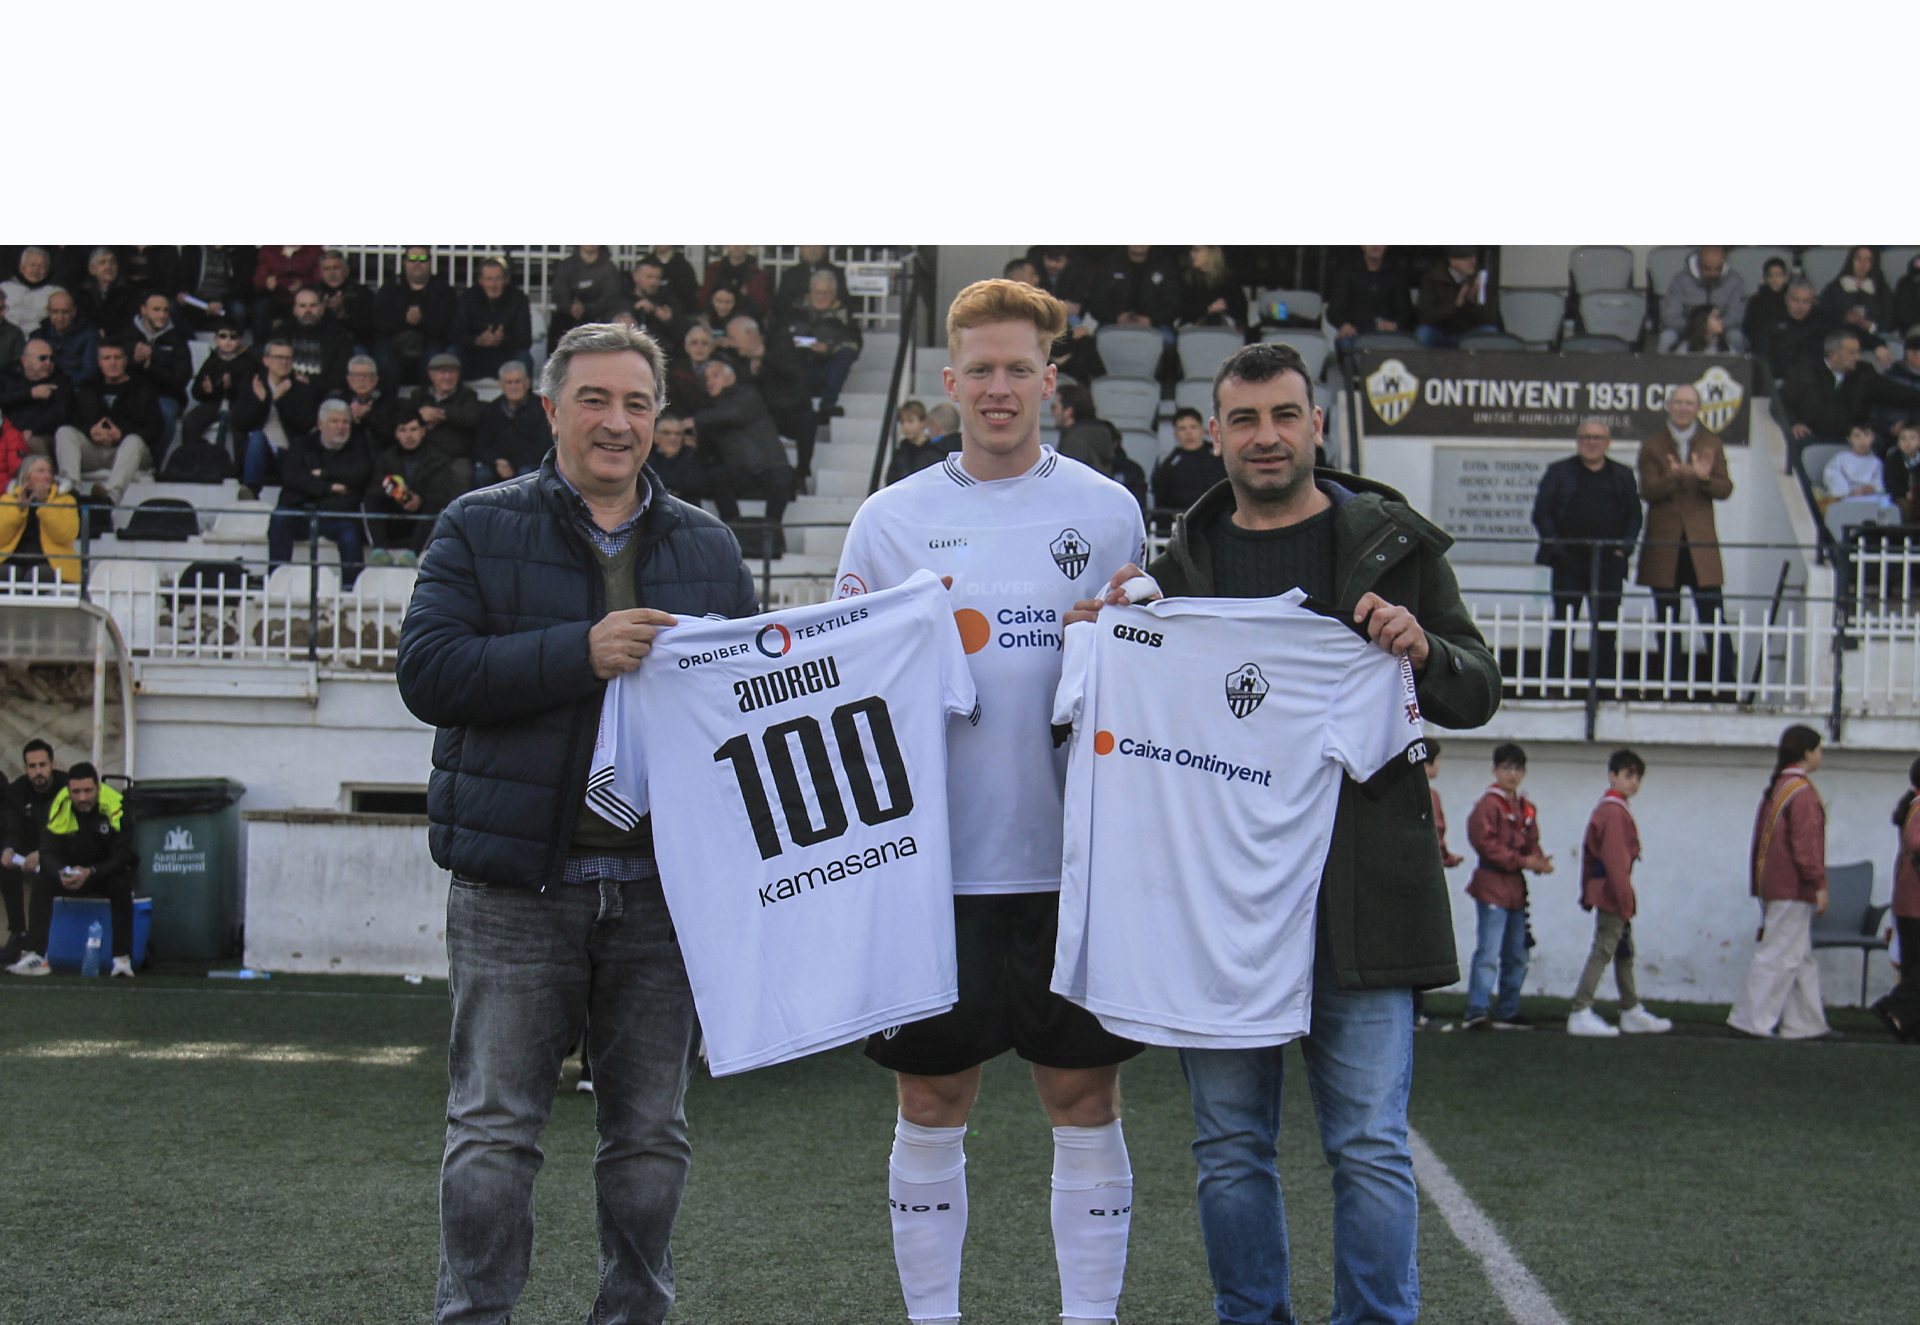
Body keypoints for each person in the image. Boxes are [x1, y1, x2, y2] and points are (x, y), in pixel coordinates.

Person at [1068, 337, 1499, 1325]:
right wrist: (1109, 641)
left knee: (1370, 1143)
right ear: (1214, 434)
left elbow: (1478, 685)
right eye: (1246, 419)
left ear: (1315, 424)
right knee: (1228, 1142)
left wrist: (1425, 647)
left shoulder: (1394, 544)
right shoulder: (1180, 571)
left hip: (1364, 895)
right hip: (1219, 904)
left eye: (1285, 415)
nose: (1267, 436)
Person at [397, 321, 755, 1324]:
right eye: (595, 398)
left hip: (661, 891)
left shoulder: (709, 544)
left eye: (637, 402)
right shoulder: (476, 523)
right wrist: (576, 651)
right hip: (518, 886)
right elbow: (427, 673)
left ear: (659, 418)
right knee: (493, 1134)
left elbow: (749, 698)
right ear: (551, 409)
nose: (617, 421)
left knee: (651, 1138)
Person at [835, 279, 1150, 1325]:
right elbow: (845, 685)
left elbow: (1150, 672)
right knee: (932, 1096)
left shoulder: (1110, 511)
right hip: (938, 872)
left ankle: (1088, 1316)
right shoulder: (890, 520)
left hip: (1073, 865)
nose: (1002, 387)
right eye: (983, 370)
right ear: (949, 381)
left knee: (1083, 1097)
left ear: (1051, 380)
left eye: (1021, 368)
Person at [1728, 725, 1838, 1041]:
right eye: (1818, 749)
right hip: (1792, 886)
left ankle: (1806, 1024)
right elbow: (1806, 846)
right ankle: (1750, 1020)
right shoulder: (1801, 792)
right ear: (1807, 753)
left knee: (1799, 955)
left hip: (1774, 882)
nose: (1820, 754)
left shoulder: (1780, 786)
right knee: (1779, 953)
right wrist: (1818, 884)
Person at [1564, 749, 1673, 1037]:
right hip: (1612, 891)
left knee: (1624, 951)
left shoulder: (1614, 808)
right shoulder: (1613, 811)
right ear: (1612, 776)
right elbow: (1614, 861)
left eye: (1637, 777)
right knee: (1604, 949)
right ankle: (1581, 1009)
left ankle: (1630, 1008)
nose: (1634, 782)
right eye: (1628, 775)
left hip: (1611, 889)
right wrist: (1625, 900)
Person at [1532, 417, 1641, 690]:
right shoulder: (1559, 471)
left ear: (1608, 443)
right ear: (1578, 441)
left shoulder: (1623, 474)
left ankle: (1603, 687)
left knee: (1605, 630)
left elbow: (1635, 517)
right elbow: (1541, 514)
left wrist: (1623, 549)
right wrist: (1557, 551)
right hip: (1568, 564)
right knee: (1563, 628)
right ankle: (1556, 686)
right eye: (1586, 438)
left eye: (1598, 438)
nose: (1592, 443)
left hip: (1608, 566)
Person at [5, 762, 137, 978]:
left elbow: (123, 855)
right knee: (42, 880)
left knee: (121, 883)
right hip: (70, 875)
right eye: (76, 792)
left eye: (87, 791)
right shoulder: (59, 806)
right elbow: (47, 851)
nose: (82, 798)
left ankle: (122, 959)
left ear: (98, 788)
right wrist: (62, 872)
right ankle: (36, 955)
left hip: (102, 874)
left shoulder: (118, 806)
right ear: (68, 791)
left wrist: (92, 871)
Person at [1636, 384, 1733, 660]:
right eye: (1678, 402)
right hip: (1664, 545)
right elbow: (1648, 491)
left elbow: (1725, 489)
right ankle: (1670, 686)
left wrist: (1702, 477)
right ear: (1668, 406)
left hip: (1701, 545)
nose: (1683, 408)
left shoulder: (1711, 443)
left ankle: (1725, 685)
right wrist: (1675, 475)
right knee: (1667, 621)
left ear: (1698, 409)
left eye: (1689, 403)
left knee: (1713, 618)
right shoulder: (1652, 445)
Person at [1460, 743, 1553, 1031]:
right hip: (1492, 886)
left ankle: (1508, 1009)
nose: (1512, 774)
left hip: (1515, 890)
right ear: (1495, 770)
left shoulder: (1526, 807)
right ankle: (1477, 1010)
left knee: (1517, 954)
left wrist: (1538, 861)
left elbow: (1531, 840)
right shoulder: (1488, 805)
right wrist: (1526, 861)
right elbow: (1487, 847)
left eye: (1517, 768)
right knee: (1488, 952)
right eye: (1506, 768)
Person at [695, 358, 792, 557]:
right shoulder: (708, 411)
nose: (709, 381)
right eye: (705, 379)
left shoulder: (747, 394)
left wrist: (693, 422)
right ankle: (735, 533)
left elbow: (734, 413)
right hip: (741, 471)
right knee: (718, 476)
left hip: (770, 465)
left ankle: (770, 533)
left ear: (730, 377)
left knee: (781, 477)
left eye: (715, 375)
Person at [267, 399, 371, 585]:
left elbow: (359, 475)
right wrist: (329, 487)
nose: (341, 427)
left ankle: (352, 589)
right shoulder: (301, 445)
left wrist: (322, 474)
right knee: (280, 518)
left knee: (350, 533)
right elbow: (293, 477)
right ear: (320, 424)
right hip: (301, 512)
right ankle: (276, 581)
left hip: (337, 514)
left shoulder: (358, 448)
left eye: (345, 422)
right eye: (335, 421)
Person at [57, 338, 159, 503]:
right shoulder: (88, 386)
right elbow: (73, 420)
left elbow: (155, 429)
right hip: (94, 450)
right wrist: (90, 431)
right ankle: (70, 489)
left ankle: (110, 496)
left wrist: (122, 434)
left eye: (117, 358)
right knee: (64, 432)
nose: (112, 363)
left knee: (133, 441)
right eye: (107, 358)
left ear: (125, 360)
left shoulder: (142, 387)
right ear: (99, 362)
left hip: (128, 453)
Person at [1782, 331, 1920, 451]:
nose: (1858, 357)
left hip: (1853, 437)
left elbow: (1896, 392)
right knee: (1797, 443)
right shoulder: (1803, 372)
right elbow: (1781, 402)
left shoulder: (1865, 372)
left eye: (1858, 352)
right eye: (1852, 353)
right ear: (1833, 354)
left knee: (1877, 442)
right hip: (1813, 434)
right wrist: (1794, 423)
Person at [0, 739, 67, 966]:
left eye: (42, 765)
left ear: (53, 764)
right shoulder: (17, 790)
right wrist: (9, 850)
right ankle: (19, 933)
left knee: (44, 877)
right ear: (25, 768)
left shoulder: (68, 787)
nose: (38, 772)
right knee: (4, 863)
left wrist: (44, 853)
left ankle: (41, 944)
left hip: (63, 852)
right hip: (28, 851)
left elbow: (75, 832)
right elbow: (12, 827)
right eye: (32, 766)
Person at [365, 408, 459, 566]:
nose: (409, 436)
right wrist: (396, 494)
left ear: (423, 431)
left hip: (422, 520)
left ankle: (413, 554)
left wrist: (418, 499)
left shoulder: (438, 459)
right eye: (403, 430)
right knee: (369, 500)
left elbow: (440, 493)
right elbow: (375, 488)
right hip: (394, 517)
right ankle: (379, 551)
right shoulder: (386, 458)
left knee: (436, 505)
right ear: (396, 434)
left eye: (413, 429)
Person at [1870, 756, 1920, 1042]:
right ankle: (1895, 1006)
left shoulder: (1911, 805)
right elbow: (1916, 841)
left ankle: (1909, 1026)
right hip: (1916, 901)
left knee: (1913, 963)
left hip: (1908, 900)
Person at [232, 339, 320, 497]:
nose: (284, 362)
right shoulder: (253, 385)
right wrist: (262, 403)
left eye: (288, 358)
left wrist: (280, 401)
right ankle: (251, 490)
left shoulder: (301, 389)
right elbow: (239, 423)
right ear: (266, 361)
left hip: (288, 455)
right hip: (260, 455)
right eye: (279, 357)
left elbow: (305, 425)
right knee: (257, 436)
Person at [780, 269, 864, 424]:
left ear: (834, 294)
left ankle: (827, 406)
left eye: (826, 293)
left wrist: (829, 348)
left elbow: (854, 343)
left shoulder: (844, 315)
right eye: (817, 292)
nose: (821, 297)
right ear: (810, 292)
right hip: (797, 369)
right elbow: (781, 339)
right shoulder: (794, 310)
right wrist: (808, 344)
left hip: (826, 369)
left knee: (845, 354)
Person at [373, 247, 458, 388]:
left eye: (423, 259)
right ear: (404, 262)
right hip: (394, 342)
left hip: (430, 342)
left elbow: (446, 325)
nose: (417, 263)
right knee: (383, 357)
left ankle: (429, 402)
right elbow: (378, 321)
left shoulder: (443, 289)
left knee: (435, 357)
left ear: (430, 262)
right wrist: (404, 319)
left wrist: (421, 320)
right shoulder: (390, 287)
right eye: (412, 259)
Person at [450, 257, 532, 382]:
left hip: (505, 356)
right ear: (480, 281)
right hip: (474, 356)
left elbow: (525, 340)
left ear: (506, 280)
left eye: (497, 279)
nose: (493, 285)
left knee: (524, 357)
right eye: (489, 279)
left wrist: (502, 339)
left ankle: (523, 400)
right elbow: (454, 334)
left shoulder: (518, 299)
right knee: (453, 353)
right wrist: (477, 340)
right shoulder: (467, 298)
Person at [130, 292, 193, 456]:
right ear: (143, 310)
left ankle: (154, 464)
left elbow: (181, 379)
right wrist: (133, 360)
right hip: (131, 393)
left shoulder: (178, 339)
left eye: (165, 310)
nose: (162, 315)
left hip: (165, 396)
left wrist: (151, 368)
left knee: (165, 415)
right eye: (156, 310)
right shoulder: (128, 335)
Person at [0, 454, 77, 586]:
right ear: (26, 476)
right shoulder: (8, 499)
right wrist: (18, 510)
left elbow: (65, 535)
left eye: (49, 472)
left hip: (50, 562)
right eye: (40, 471)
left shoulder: (65, 500)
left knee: (34, 577)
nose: (47, 476)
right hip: (12, 559)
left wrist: (44, 505)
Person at [1147, 405, 1225, 532]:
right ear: (1176, 434)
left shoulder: (1220, 457)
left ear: (1202, 430)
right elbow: (1161, 500)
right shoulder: (1169, 465)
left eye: (1193, 427)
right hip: (1182, 525)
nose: (1188, 433)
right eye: (1182, 429)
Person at [1658, 246, 1748, 352]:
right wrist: (1700, 326)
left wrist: (1714, 326)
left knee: (1736, 337)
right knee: (1666, 337)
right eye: (1707, 269)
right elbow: (1670, 317)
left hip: (1721, 328)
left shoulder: (1735, 281)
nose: (1713, 273)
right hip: (1687, 329)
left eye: (1717, 269)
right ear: (1698, 264)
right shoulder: (1680, 280)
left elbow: (1735, 316)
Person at [1087, 245, 1180, 345]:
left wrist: (1151, 320)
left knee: (1169, 340)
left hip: (1155, 324)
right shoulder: (1109, 264)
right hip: (1114, 322)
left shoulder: (1166, 266)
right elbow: (1096, 302)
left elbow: (1174, 304)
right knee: (1098, 340)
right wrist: (1116, 318)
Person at [1325, 245, 1413, 349]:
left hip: (1388, 332)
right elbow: (1335, 309)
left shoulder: (1397, 273)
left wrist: (1395, 324)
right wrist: (1344, 325)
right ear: (1362, 245)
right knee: (1345, 343)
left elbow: (1406, 311)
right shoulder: (1347, 271)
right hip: (1356, 331)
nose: (1375, 245)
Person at [271, 287, 356, 395]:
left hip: (323, 394)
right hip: (286, 391)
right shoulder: (282, 333)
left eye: (313, 305)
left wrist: (310, 382)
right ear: (294, 310)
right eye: (302, 306)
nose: (308, 311)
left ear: (322, 309)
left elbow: (340, 377)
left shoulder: (338, 335)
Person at [0, 339, 75, 460]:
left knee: (33, 442)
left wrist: (32, 429)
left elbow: (59, 414)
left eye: (51, 358)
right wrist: (30, 394)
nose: (48, 363)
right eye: (42, 358)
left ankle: (44, 476)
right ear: (25, 361)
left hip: (43, 434)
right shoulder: (8, 374)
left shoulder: (60, 380)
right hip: (9, 431)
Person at [476, 361, 550, 482]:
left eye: (518, 381)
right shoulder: (492, 409)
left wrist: (513, 464)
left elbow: (543, 446)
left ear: (527, 383)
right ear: (501, 384)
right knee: (482, 474)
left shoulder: (541, 408)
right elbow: (481, 445)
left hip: (528, 465)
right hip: (498, 465)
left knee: (525, 473)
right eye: (509, 382)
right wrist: (497, 462)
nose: (513, 386)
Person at [406, 353, 484, 468]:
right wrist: (422, 420)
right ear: (431, 375)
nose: (447, 377)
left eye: (452, 372)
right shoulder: (419, 395)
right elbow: (407, 420)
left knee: (462, 471)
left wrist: (440, 415)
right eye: (442, 372)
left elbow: (471, 419)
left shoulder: (467, 395)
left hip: (455, 456)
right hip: (423, 455)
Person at [1752, 279, 1833, 385]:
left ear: (1813, 301)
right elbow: (1761, 355)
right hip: (1777, 379)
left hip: (1812, 381)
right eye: (1795, 300)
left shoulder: (1822, 322)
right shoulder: (1770, 318)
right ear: (1786, 299)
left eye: (1806, 301)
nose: (1800, 306)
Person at [1416, 248, 1500, 347]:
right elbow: (1425, 316)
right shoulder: (1433, 278)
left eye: (1473, 257)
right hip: (1441, 331)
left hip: (1470, 332)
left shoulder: (1482, 279)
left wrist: (1471, 302)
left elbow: (1490, 318)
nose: (1473, 262)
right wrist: (1456, 306)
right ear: (1453, 261)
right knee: (1423, 334)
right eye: (1466, 259)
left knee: (1490, 333)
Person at [1819, 246, 1893, 350]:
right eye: (1858, 258)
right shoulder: (1834, 289)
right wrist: (1844, 319)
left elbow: (1890, 320)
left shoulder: (1882, 290)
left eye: (1868, 260)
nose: (1862, 264)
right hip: (1840, 341)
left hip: (1874, 341)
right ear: (1851, 261)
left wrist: (1871, 325)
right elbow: (1823, 317)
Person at [174, 244, 254, 333]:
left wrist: (222, 302)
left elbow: (243, 284)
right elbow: (184, 277)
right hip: (197, 299)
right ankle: (189, 343)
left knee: (238, 310)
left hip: (227, 300)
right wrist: (183, 292)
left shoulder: (241, 250)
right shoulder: (193, 248)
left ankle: (233, 342)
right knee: (172, 306)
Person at [252, 245, 322, 342]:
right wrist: (266, 283)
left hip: (303, 300)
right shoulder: (268, 249)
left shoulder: (313, 249)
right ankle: (260, 348)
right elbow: (258, 280)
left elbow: (319, 280)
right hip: (277, 299)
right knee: (261, 307)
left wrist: (304, 287)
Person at [328, 355, 398, 451]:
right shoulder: (336, 401)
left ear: (375, 380)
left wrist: (367, 416)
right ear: (349, 379)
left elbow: (390, 436)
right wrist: (349, 415)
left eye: (366, 375)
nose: (361, 380)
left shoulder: (387, 401)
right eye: (356, 375)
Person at [1050, 382, 1116, 476]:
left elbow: (1067, 479)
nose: (1052, 412)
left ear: (1068, 411)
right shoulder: (1103, 433)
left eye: (1054, 407)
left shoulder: (1073, 441)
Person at [772, 245, 850, 323]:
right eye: (807, 246)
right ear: (800, 249)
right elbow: (782, 306)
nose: (812, 250)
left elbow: (844, 303)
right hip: (798, 324)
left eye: (817, 246)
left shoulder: (836, 273)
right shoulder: (790, 274)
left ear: (824, 248)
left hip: (831, 324)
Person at [315, 249, 377, 347]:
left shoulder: (362, 293)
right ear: (320, 272)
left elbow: (369, 329)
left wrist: (343, 315)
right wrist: (318, 315)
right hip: (317, 342)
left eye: (336, 268)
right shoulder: (312, 292)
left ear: (346, 270)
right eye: (327, 269)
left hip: (353, 344)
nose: (332, 273)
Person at [35, 289, 98, 384]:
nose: (60, 317)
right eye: (55, 312)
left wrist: (63, 387)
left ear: (73, 312)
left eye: (65, 312)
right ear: (48, 311)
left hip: (77, 389)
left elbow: (89, 371)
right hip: (45, 388)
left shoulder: (89, 335)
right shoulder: (38, 336)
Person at [1178, 245, 1247, 330]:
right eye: (1192, 250)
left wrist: (1223, 308)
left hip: (1224, 329)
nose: (1191, 254)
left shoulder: (1227, 279)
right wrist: (1208, 310)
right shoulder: (1187, 279)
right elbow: (1182, 310)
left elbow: (1241, 310)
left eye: (1197, 250)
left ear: (1211, 252)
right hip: (1193, 330)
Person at [645, 408, 708, 500]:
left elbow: (697, 485)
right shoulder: (645, 460)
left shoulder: (691, 457)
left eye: (678, 433)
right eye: (667, 433)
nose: (673, 438)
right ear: (655, 436)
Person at [624, 256, 683, 355]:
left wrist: (668, 321)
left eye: (657, 278)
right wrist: (634, 311)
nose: (654, 282)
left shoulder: (668, 302)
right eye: (649, 277)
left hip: (663, 357)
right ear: (635, 276)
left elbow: (683, 335)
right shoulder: (623, 299)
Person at [73, 248, 137, 337]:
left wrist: (107, 332)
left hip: (119, 340)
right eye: (102, 263)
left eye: (112, 262)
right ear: (92, 269)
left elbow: (130, 322)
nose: (108, 266)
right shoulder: (82, 292)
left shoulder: (129, 291)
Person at [883, 399, 948, 485]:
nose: (905, 427)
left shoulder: (935, 451)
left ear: (924, 422)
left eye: (910, 421)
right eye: (902, 422)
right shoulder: (900, 454)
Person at [698, 245, 770, 320]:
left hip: (745, 320)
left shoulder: (757, 275)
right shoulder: (714, 270)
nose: (736, 246)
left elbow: (763, 309)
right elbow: (702, 301)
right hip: (715, 319)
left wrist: (748, 295)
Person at [1, 248, 62, 335]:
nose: (36, 270)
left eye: (41, 267)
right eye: (32, 265)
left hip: (40, 340)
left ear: (47, 270)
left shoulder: (56, 293)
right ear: (22, 268)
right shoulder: (4, 288)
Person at [1741, 256, 1791, 351]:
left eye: (1778, 275)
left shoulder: (1793, 299)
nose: (1774, 279)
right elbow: (1749, 326)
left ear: (1786, 277)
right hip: (1763, 344)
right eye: (1770, 275)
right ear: (1765, 278)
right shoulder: (1756, 301)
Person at [1825, 424, 1887, 500]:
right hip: (1847, 497)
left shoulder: (1877, 462)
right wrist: (1849, 493)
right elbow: (1832, 476)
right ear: (1849, 439)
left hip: (1870, 498)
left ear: (1873, 438)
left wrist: (1873, 489)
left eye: (1867, 435)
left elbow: (1879, 482)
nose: (1862, 441)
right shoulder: (1841, 458)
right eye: (1857, 436)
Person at [668, 322, 717, 413]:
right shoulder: (676, 372)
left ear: (711, 347)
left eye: (704, 343)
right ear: (686, 347)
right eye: (694, 343)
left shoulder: (722, 368)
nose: (699, 347)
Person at [1884, 420, 1920, 521]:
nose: (1907, 442)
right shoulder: (1893, 459)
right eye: (1903, 438)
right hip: (1900, 496)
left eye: (1912, 438)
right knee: (1905, 506)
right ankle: (1909, 534)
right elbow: (1890, 483)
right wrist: (1905, 493)